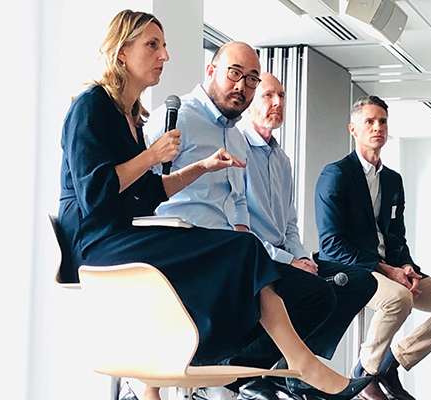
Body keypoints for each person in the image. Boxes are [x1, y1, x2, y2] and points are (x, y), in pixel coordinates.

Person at [58, 10, 371, 400]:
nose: (164, 55)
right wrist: (152, 155)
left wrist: (199, 168)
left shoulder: (131, 116)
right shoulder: (91, 104)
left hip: (123, 235)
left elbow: (147, 193)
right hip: (98, 243)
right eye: (152, 45)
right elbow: (94, 194)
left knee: (262, 263)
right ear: (122, 52)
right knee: (244, 250)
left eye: (164, 46)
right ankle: (300, 365)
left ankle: (162, 384)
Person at [146, 43, 352, 399]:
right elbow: (145, 189)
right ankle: (296, 365)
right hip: (186, 252)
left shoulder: (236, 138)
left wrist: (245, 236)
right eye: (235, 73)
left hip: (228, 256)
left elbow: (238, 204)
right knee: (250, 256)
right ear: (211, 71)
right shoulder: (178, 117)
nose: (243, 85)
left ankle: (238, 373)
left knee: (317, 296)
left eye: (252, 79)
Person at [314, 95, 431, 400]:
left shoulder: (392, 180)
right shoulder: (335, 175)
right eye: (370, 121)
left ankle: (392, 361)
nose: (378, 127)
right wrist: (387, 270)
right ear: (354, 129)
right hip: (350, 270)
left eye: (383, 121)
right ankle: (365, 374)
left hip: (390, 270)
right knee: (399, 298)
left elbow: (396, 237)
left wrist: (407, 268)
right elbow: (331, 244)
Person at [231, 73, 378, 400]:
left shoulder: (282, 159)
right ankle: (254, 372)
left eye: (282, 96)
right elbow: (239, 226)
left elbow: (290, 222)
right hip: (258, 259)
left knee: (361, 282)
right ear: (252, 102)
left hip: (286, 256)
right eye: (268, 96)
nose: (278, 103)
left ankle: (293, 368)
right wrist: (288, 260)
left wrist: (301, 256)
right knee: (317, 293)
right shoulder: (236, 148)